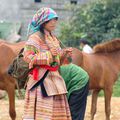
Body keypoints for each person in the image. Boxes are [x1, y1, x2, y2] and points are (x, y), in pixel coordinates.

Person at [22, 7, 72, 120]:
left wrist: (64, 54)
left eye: (55, 19)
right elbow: (28, 57)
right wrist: (49, 54)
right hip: (40, 81)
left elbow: (56, 61)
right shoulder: (34, 38)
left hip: (56, 80)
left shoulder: (54, 39)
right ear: (43, 21)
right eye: (51, 20)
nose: (54, 22)